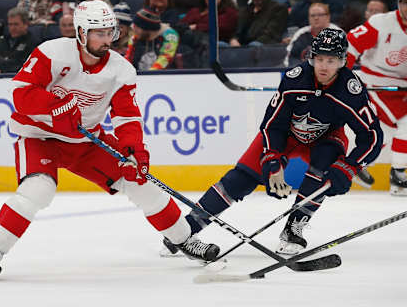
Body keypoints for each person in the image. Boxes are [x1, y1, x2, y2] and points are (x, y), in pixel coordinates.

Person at [0, 0, 219, 281]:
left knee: (140, 182)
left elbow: (127, 118)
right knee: (38, 189)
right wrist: (55, 105)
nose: (106, 39)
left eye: (110, 32)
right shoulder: (52, 52)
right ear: (81, 33)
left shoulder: (121, 70)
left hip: (86, 142)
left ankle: (183, 240)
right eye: (99, 33)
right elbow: (20, 94)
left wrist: (134, 152)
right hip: (39, 136)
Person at [163, 28, 383, 256]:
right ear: (311, 57)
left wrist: (349, 167)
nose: (324, 66)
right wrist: (272, 162)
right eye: (319, 59)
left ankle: (293, 229)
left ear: (343, 61)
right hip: (285, 134)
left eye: (331, 60)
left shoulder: (351, 90)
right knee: (241, 178)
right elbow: (272, 125)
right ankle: (185, 230)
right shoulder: (294, 78)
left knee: (325, 164)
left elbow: (373, 136)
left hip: (327, 137)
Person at [346, 0, 407, 196]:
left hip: (402, 87)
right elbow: (350, 45)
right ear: (398, 3)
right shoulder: (381, 23)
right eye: (405, 1)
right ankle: (398, 176)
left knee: (389, 132)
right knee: (405, 122)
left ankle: (358, 162)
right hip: (375, 82)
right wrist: (342, 77)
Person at [0, 8, 37, 74]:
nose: (12, 28)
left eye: (16, 24)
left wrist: (2, 71)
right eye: (10, 24)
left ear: (26, 25)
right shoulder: (0, 41)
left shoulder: (33, 43)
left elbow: (26, 66)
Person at [283, 3, 342, 67]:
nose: (316, 18)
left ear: (328, 17)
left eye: (320, 15)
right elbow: (290, 59)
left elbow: (345, 59)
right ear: (309, 18)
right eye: (312, 15)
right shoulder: (301, 33)